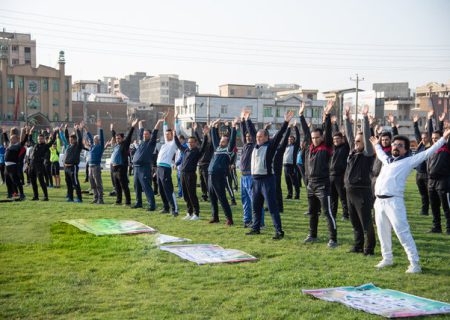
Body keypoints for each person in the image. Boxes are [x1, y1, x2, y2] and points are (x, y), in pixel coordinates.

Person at [370, 127, 450, 273]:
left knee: (402, 232)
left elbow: (427, 152)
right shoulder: (387, 160)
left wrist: (443, 139)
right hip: (379, 202)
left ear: (406, 150)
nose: (396, 147)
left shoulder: (408, 161)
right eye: (394, 144)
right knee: (382, 232)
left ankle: (415, 264)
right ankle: (387, 258)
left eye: (400, 145)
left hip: (394, 202)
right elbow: (381, 152)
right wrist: (376, 144)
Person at [246, 111, 293, 239]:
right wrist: (247, 119)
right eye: (257, 137)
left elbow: (279, 135)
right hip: (255, 181)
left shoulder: (270, 146)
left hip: (267, 180)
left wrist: (286, 122)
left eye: (261, 137)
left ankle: (279, 231)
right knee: (256, 206)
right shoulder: (255, 146)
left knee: (272, 207)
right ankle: (256, 228)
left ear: (266, 137)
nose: (258, 138)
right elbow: (251, 131)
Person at [300, 100, 338, 248]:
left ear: (322, 138)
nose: (315, 140)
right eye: (313, 138)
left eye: (317, 137)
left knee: (327, 213)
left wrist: (327, 115)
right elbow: (305, 130)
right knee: (312, 212)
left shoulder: (327, 147)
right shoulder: (310, 146)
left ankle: (333, 239)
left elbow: (328, 131)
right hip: (310, 185)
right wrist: (301, 115)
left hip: (323, 185)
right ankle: (312, 235)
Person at [344, 106, 376, 255]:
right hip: (350, 192)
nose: (356, 143)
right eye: (355, 142)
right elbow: (350, 136)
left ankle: (369, 249)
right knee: (355, 222)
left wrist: (364, 118)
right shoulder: (353, 152)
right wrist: (346, 118)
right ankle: (358, 246)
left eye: (359, 142)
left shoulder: (368, 153)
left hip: (362, 193)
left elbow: (367, 137)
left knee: (366, 223)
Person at [174, 125, 208, 220]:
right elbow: (178, 145)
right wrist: (174, 136)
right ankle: (189, 212)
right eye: (189, 142)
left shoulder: (197, 151)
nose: (190, 144)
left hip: (191, 175)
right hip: (183, 174)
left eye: (192, 142)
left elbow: (204, 145)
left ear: (195, 143)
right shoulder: (186, 150)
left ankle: (196, 214)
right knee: (185, 195)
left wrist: (205, 135)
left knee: (192, 194)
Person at [208, 118, 238, 225]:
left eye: (223, 141)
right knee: (212, 197)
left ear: (227, 143)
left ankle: (229, 219)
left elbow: (233, 140)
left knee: (222, 198)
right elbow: (214, 138)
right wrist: (213, 127)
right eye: (221, 141)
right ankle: (215, 217)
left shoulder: (228, 150)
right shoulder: (217, 148)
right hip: (210, 175)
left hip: (219, 176)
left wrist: (233, 127)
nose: (221, 142)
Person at [426, 111, 450, 234]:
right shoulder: (431, 149)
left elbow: (444, 136)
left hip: (443, 181)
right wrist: (430, 119)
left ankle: (449, 228)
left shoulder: (447, 147)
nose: (434, 140)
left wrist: (443, 125)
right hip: (431, 181)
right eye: (433, 139)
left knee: (446, 207)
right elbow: (431, 133)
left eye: (437, 139)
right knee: (434, 207)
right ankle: (437, 227)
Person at [132, 119, 162, 211]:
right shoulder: (142, 141)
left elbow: (155, 131)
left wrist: (158, 122)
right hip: (136, 168)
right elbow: (140, 131)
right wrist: (140, 123)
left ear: (150, 135)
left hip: (144, 168)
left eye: (147, 134)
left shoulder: (151, 143)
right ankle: (138, 203)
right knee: (136, 186)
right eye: (144, 134)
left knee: (146, 187)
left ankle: (152, 205)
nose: (145, 135)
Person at [239, 110, 263, 227]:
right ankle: (247, 220)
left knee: (254, 201)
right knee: (245, 201)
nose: (248, 137)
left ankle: (260, 222)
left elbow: (252, 134)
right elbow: (244, 132)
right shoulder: (245, 145)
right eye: (246, 136)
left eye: (249, 136)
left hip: (250, 176)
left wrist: (248, 120)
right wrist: (242, 121)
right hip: (243, 176)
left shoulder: (255, 145)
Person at [156, 112, 180, 217]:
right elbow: (164, 130)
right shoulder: (165, 143)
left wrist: (176, 120)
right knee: (161, 190)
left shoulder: (173, 143)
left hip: (166, 169)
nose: (166, 135)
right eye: (166, 134)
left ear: (172, 135)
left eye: (168, 134)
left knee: (168, 189)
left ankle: (174, 209)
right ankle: (166, 207)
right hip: (159, 168)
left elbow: (177, 132)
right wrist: (165, 121)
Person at [110, 119, 137, 206]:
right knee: (117, 186)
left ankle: (128, 202)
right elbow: (114, 136)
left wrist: (132, 126)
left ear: (122, 139)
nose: (117, 140)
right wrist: (112, 130)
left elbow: (129, 136)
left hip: (121, 168)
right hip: (114, 168)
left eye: (119, 138)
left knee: (124, 186)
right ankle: (118, 201)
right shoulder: (117, 145)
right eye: (116, 138)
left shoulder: (124, 144)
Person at [28, 127, 57, 201]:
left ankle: (46, 196)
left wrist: (55, 132)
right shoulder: (35, 145)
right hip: (32, 165)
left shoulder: (45, 146)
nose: (39, 140)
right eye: (38, 139)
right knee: (33, 182)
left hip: (39, 165)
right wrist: (30, 132)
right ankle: (36, 196)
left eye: (41, 139)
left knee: (41, 182)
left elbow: (53, 140)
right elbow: (30, 140)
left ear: (43, 139)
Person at [330, 118, 350, 221]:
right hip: (331, 176)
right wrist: (334, 124)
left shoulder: (345, 147)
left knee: (342, 197)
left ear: (342, 139)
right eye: (334, 139)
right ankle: (332, 214)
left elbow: (347, 136)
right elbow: (334, 133)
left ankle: (345, 215)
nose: (336, 141)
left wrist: (345, 124)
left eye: (338, 139)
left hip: (340, 176)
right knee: (333, 198)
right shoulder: (333, 148)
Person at [412, 112, 432, 216]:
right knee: (423, 194)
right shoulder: (420, 145)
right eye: (422, 138)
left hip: (427, 174)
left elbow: (431, 131)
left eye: (425, 138)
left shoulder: (430, 147)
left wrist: (429, 119)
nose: (423, 140)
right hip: (419, 174)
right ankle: (424, 211)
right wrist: (415, 123)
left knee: (430, 194)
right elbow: (417, 135)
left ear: (429, 138)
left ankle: (433, 210)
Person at [3, 127, 29, 200]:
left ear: (17, 139)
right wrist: (4, 132)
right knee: (8, 181)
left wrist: (27, 133)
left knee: (16, 181)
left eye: (13, 139)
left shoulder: (18, 146)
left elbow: (24, 141)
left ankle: (22, 194)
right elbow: (6, 140)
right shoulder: (9, 145)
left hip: (13, 166)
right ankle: (9, 194)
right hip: (6, 166)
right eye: (11, 139)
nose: (12, 140)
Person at [62, 124, 84, 203]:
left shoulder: (77, 146)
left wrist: (77, 130)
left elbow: (80, 138)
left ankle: (79, 198)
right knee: (68, 183)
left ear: (75, 140)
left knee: (75, 183)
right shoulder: (69, 145)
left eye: (72, 139)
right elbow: (66, 137)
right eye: (70, 139)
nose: (70, 140)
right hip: (66, 167)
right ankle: (70, 198)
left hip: (72, 167)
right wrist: (65, 129)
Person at [86, 119, 105, 204]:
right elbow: (89, 136)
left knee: (98, 183)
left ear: (98, 140)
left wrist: (100, 128)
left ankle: (100, 199)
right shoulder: (92, 146)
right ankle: (95, 197)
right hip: (90, 166)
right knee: (92, 182)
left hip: (96, 166)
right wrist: (85, 129)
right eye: (94, 138)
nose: (94, 139)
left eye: (96, 138)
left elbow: (102, 137)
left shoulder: (100, 146)